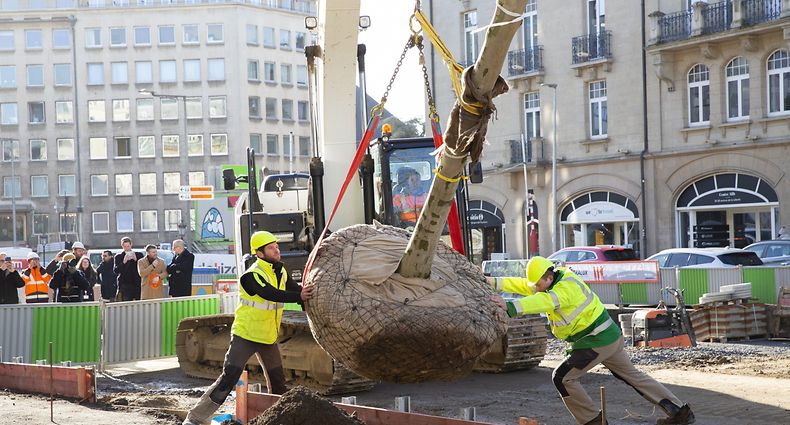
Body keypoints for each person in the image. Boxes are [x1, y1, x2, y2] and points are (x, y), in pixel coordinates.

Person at [488, 256, 694, 425]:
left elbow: (543, 301)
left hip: (595, 340)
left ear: (549, 277)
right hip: (609, 336)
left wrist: (510, 306)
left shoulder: (563, 290)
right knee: (634, 376)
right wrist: (493, 282)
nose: (536, 288)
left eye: (539, 284)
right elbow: (526, 286)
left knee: (562, 378)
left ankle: (593, 422)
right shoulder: (556, 279)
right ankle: (679, 412)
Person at [183, 231, 314, 425]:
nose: (276, 249)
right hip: (245, 335)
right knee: (229, 377)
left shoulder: (280, 270)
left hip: (267, 336)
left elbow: (293, 288)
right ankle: (194, 418)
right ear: (259, 253)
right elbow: (270, 294)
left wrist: (306, 294)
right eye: (271, 248)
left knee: (278, 382)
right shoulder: (251, 275)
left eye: (276, 246)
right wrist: (299, 297)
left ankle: (277, 420)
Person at [114, 237, 144, 301]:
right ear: (122, 246)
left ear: (131, 245)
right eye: (125, 246)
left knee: (138, 302)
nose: (127, 248)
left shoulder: (139, 255)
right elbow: (116, 270)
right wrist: (123, 262)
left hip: (137, 283)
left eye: (128, 246)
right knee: (126, 302)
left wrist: (136, 259)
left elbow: (143, 267)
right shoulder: (118, 256)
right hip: (125, 284)